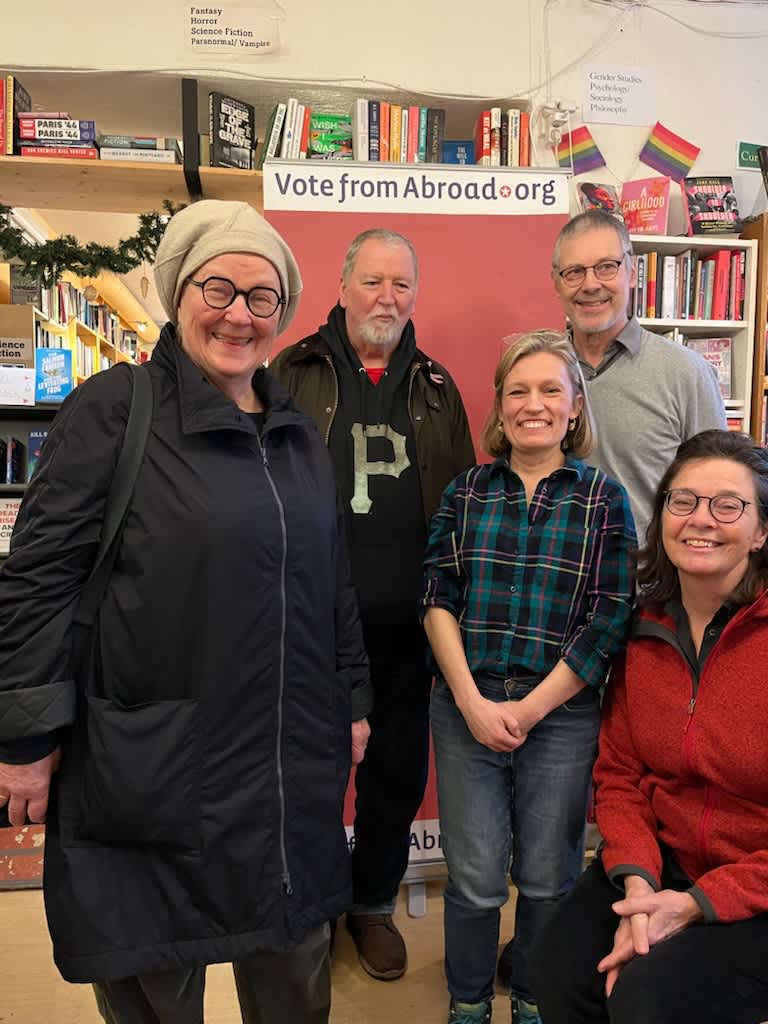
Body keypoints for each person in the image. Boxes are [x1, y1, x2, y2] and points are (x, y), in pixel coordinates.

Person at [0, 199, 373, 1024]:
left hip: (284, 767)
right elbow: (36, 582)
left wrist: (351, 698)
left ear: (282, 312)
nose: (238, 314)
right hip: (154, 766)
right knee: (157, 984)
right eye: (219, 288)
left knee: (294, 975)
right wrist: (24, 741)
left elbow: (331, 581)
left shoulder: (297, 434)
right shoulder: (115, 410)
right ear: (179, 292)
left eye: (261, 296)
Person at [271, 227, 474, 981]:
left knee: (394, 778)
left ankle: (372, 905)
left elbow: (457, 508)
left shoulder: (438, 387)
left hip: (407, 631)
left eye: (401, 285)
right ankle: (314, 906)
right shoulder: (291, 371)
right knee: (311, 775)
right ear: (344, 282)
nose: (386, 298)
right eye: (373, 281)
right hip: (311, 625)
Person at [420, 330, 636, 1024]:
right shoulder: (466, 492)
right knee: (476, 880)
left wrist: (534, 709)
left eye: (550, 390)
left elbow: (609, 617)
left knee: (549, 878)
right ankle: (470, 1001)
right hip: (464, 709)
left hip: (562, 716)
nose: (533, 404)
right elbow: (436, 596)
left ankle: (536, 999)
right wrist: (470, 701)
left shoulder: (604, 500)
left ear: (575, 407)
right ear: (500, 405)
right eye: (518, 390)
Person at [529, 428, 768, 1024]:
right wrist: (638, 888)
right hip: (662, 861)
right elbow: (620, 775)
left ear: (762, 531)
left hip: (756, 888)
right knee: (551, 971)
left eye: (728, 505)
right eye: (683, 500)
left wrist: (693, 906)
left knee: (644, 1000)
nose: (700, 520)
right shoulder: (644, 630)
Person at [550, 209, 726, 545]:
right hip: (556, 584)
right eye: (574, 272)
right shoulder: (543, 371)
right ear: (556, 282)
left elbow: (716, 494)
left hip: (647, 590)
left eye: (606, 267)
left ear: (632, 272)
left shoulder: (685, 373)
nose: (590, 284)